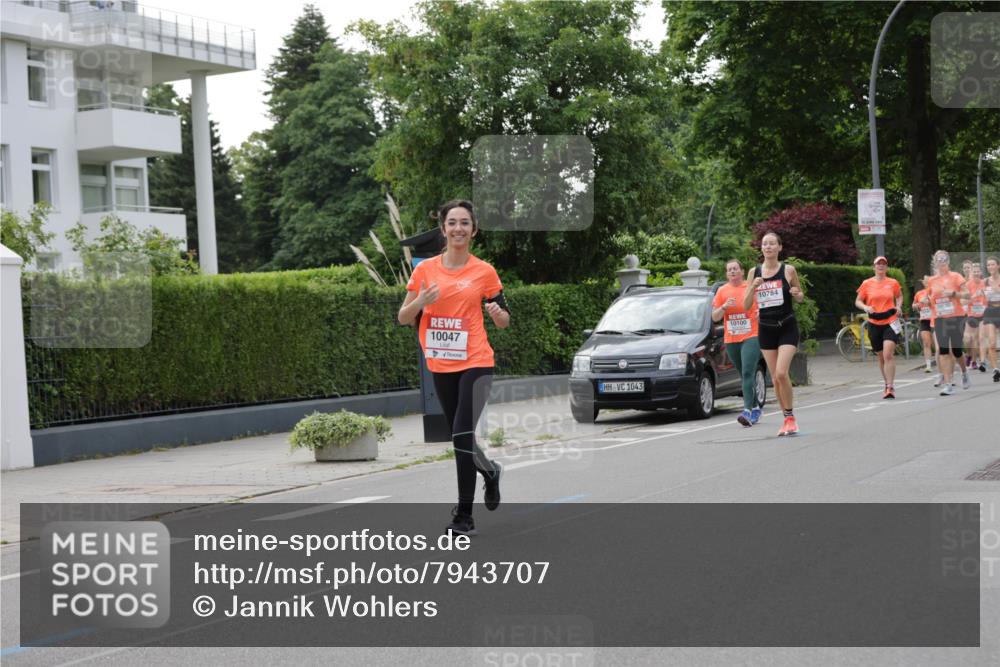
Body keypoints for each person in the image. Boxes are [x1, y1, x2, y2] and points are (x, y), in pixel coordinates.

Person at [397, 200, 509, 535]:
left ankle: (464, 516)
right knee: (459, 438)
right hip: (441, 363)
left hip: (477, 361)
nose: (458, 228)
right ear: (443, 229)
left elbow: (504, 319)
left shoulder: (484, 271)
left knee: (461, 434)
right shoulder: (425, 270)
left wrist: (497, 315)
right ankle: (489, 472)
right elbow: (403, 317)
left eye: (465, 223)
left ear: (473, 230)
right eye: (452, 223)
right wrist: (420, 302)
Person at [744, 232, 805, 436]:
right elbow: (746, 305)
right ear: (761, 249)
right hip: (766, 328)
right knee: (776, 378)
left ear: (780, 247)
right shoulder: (755, 272)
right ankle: (786, 419)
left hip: (786, 326)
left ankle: (790, 416)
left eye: (772, 244)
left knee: (781, 373)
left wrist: (797, 294)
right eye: (764, 244)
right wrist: (752, 288)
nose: (768, 247)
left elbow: (800, 295)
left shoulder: (788, 270)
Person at [712, 259, 762, 427]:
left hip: (751, 335)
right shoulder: (721, 291)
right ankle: (755, 407)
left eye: (735, 269)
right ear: (727, 274)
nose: (732, 272)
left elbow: (762, 305)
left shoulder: (750, 286)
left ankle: (747, 411)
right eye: (729, 270)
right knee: (743, 374)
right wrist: (724, 307)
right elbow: (715, 317)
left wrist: (760, 311)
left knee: (748, 372)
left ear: (742, 271)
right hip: (731, 338)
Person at [922, 250, 970, 395]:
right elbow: (931, 299)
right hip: (940, 318)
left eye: (944, 259)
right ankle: (948, 384)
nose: (941, 262)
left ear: (948, 261)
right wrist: (926, 301)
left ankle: (964, 372)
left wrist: (954, 294)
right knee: (943, 351)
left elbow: (967, 294)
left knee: (956, 351)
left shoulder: (956, 276)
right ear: (935, 262)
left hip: (956, 316)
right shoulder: (932, 280)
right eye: (938, 259)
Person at [855, 256, 903, 398]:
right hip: (874, 323)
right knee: (881, 357)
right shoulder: (866, 283)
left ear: (887, 267)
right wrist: (865, 307)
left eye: (883, 264)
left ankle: (890, 387)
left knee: (888, 354)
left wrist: (898, 306)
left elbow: (899, 296)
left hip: (890, 321)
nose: (881, 266)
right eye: (878, 264)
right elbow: (857, 301)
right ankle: (886, 383)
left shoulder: (893, 283)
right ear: (874, 267)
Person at [912, 276, 937, 374]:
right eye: (925, 281)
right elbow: (914, 305)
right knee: (926, 342)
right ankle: (928, 365)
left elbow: (938, 304)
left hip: (934, 319)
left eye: (928, 281)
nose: (926, 282)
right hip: (924, 319)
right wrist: (918, 305)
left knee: (937, 343)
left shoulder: (935, 291)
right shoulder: (919, 293)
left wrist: (929, 301)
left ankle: (943, 360)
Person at [966, 263, 988, 372]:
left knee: (981, 338)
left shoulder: (985, 284)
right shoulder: (968, 285)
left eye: (977, 271)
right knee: (971, 339)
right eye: (974, 272)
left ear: (981, 273)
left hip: (984, 314)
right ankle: (972, 359)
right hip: (972, 314)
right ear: (971, 273)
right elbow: (963, 301)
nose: (976, 273)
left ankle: (982, 361)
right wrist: (974, 296)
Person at [984, 256, 1000, 382]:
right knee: (992, 343)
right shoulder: (984, 282)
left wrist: (997, 289)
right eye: (988, 265)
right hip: (990, 311)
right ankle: (996, 370)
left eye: (992, 264)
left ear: (998, 266)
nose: (990, 267)